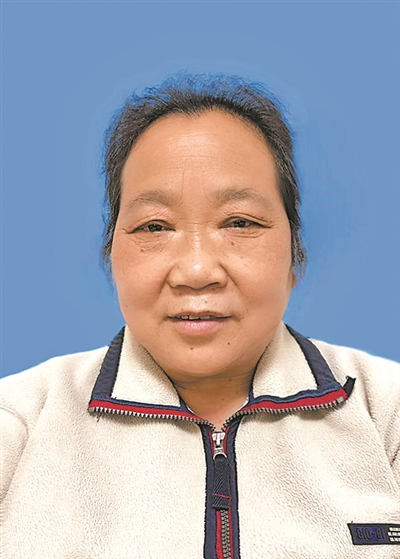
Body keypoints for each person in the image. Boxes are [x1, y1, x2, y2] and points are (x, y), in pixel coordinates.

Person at [1, 73, 399, 559]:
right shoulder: (19, 420)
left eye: (240, 222)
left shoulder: (386, 413)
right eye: (154, 226)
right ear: (112, 255)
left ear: (294, 254)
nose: (195, 271)